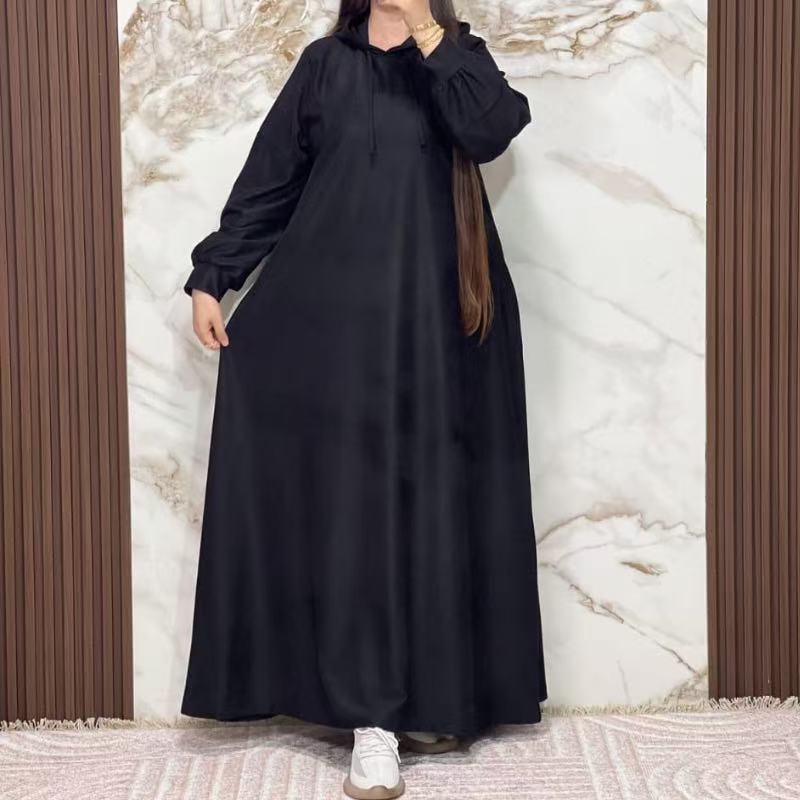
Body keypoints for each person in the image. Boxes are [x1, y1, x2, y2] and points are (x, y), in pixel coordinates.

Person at [180, 0, 547, 797]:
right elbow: (272, 179)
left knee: (432, 509)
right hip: (336, 330)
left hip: (440, 331)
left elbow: (491, 129)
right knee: (357, 515)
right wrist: (215, 275)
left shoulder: (458, 56)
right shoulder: (325, 66)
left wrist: (430, 34)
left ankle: (434, 699)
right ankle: (370, 721)